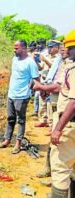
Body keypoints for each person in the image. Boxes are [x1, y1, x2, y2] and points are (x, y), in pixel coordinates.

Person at [34, 29, 75, 197]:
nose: (66, 50)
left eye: (69, 48)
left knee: (60, 169)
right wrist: (43, 88)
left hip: (70, 126)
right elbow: (60, 87)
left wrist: (58, 128)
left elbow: (73, 103)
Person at [0, 40, 39, 154]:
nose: (14, 50)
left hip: (22, 95)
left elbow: (36, 79)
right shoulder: (14, 59)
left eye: (16, 48)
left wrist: (31, 90)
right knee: (10, 118)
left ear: (24, 48)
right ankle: (7, 140)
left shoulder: (30, 63)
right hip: (12, 94)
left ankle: (18, 143)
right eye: (14, 48)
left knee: (20, 120)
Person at [35, 40, 61, 127]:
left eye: (51, 47)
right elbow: (41, 68)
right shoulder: (46, 56)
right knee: (42, 102)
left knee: (50, 103)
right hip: (44, 82)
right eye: (48, 47)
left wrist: (45, 60)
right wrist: (36, 62)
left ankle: (51, 124)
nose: (49, 49)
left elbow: (54, 68)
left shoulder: (58, 58)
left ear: (56, 48)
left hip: (52, 84)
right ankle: (43, 119)